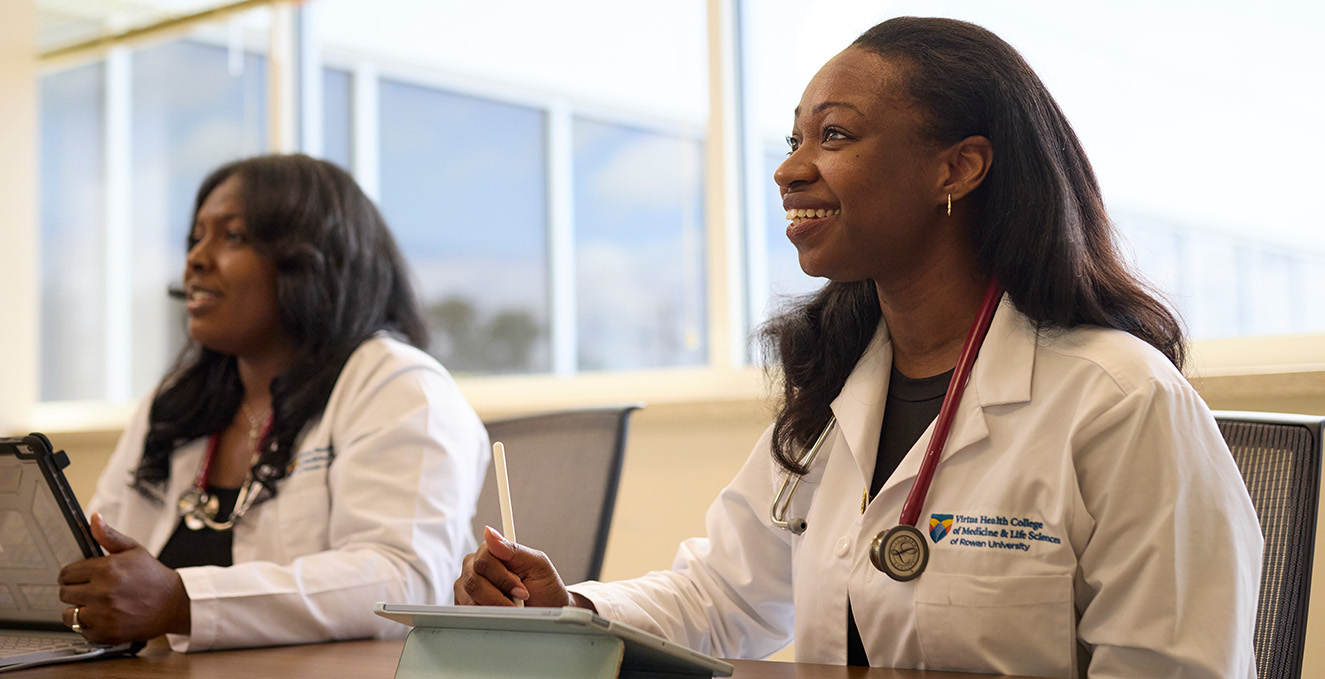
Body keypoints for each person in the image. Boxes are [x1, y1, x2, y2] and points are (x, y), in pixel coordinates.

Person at [454, 16, 1262, 678]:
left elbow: (1176, 666)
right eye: (793, 138)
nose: (788, 169)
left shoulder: (1116, 399)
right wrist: (571, 609)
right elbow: (725, 594)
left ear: (958, 167)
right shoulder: (836, 382)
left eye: (833, 136)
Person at [58, 154, 490, 652]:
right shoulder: (176, 403)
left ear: (311, 261)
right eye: (196, 237)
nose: (196, 258)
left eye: (233, 236)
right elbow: (99, 568)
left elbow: (402, 582)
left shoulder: (398, 385)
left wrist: (185, 601)